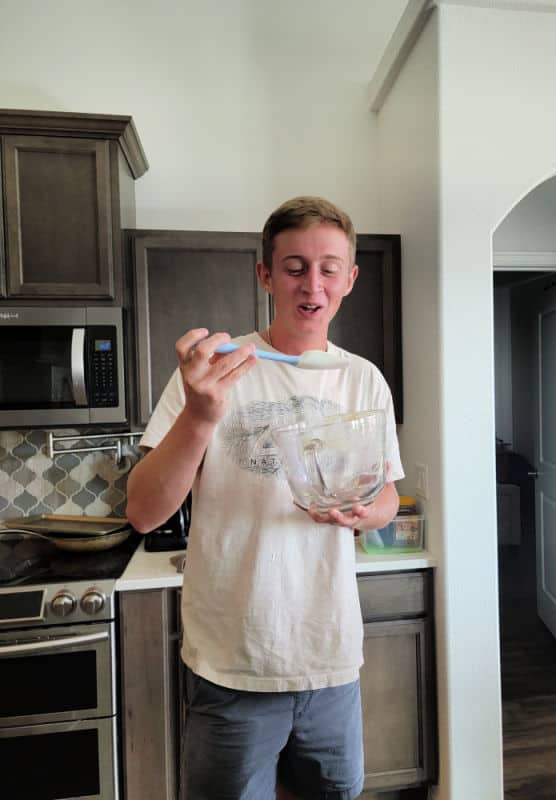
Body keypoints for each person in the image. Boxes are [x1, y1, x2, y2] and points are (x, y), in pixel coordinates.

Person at [126, 196, 404, 800]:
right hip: (233, 661)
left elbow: (386, 499)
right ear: (266, 275)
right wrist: (200, 416)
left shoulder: (363, 380)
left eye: (330, 267)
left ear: (350, 279)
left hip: (330, 658)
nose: (314, 283)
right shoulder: (214, 372)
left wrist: (364, 513)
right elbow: (145, 511)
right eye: (295, 266)